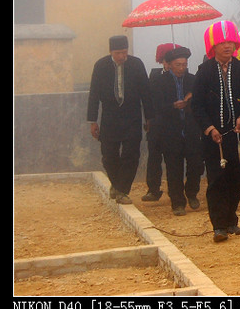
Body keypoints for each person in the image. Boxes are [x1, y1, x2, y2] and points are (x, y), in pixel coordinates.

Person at [192, 21, 240, 242]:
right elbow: (197, 105)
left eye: (231, 42)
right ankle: (219, 226)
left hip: (237, 136)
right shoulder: (204, 71)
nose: (227, 46)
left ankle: (231, 219)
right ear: (213, 46)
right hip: (213, 139)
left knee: (237, 180)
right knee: (216, 181)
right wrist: (209, 128)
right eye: (222, 42)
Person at [87, 35, 154, 204]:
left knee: (131, 155)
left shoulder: (136, 64)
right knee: (108, 156)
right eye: (118, 53)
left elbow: (146, 92)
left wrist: (149, 117)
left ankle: (122, 190)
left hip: (132, 116)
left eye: (125, 52)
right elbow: (94, 94)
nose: (122, 56)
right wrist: (93, 121)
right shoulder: (101, 66)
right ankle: (116, 184)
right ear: (111, 51)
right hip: (109, 117)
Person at [150, 46, 204, 216]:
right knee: (174, 168)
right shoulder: (159, 82)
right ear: (169, 65)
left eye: (184, 64)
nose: (181, 68)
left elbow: (201, 103)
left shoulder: (193, 80)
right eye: (178, 65)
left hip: (191, 130)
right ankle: (177, 202)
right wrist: (173, 106)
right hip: (170, 131)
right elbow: (155, 106)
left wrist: (190, 101)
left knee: (196, 164)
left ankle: (192, 192)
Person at [143, 42, 180, 202]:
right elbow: (149, 100)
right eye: (165, 60)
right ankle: (153, 189)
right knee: (154, 157)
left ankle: (175, 191)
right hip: (156, 123)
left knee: (174, 160)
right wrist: (148, 119)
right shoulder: (155, 76)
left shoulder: (181, 76)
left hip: (174, 124)